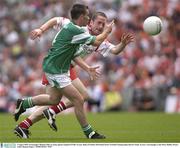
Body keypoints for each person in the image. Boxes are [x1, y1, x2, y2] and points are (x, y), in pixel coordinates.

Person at [14, 11, 133, 138]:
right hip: (59, 67)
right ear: (91, 22)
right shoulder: (80, 31)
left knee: (55, 100)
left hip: (65, 68)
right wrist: (41, 29)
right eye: (99, 23)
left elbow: (114, 50)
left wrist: (123, 44)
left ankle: (26, 122)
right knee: (76, 98)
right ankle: (84, 130)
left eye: (103, 25)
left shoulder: (98, 39)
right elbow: (72, 52)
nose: (100, 26)